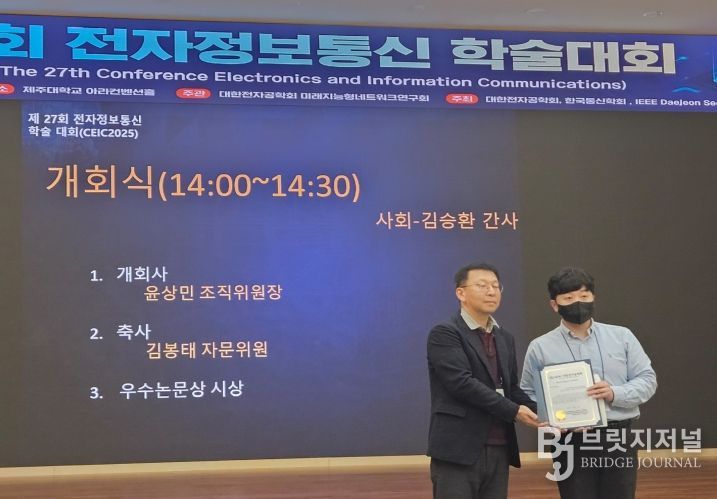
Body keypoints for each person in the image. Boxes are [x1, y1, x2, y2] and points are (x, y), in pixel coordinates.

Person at [520, 267, 657, 499]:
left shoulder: (622, 336)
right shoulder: (540, 347)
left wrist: (614, 393)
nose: (578, 303)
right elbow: (527, 393)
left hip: (617, 438)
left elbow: (647, 379)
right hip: (569, 441)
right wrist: (553, 419)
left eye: (584, 296)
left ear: (594, 298)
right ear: (554, 305)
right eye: (568, 298)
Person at [427, 262, 542, 499]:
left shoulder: (504, 337)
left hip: (499, 446)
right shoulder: (445, 333)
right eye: (482, 285)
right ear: (461, 293)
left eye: (496, 286)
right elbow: (462, 383)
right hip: (458, 448)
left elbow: (510, 388)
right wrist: (514, 411)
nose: (491, 292)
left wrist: (548, 413)